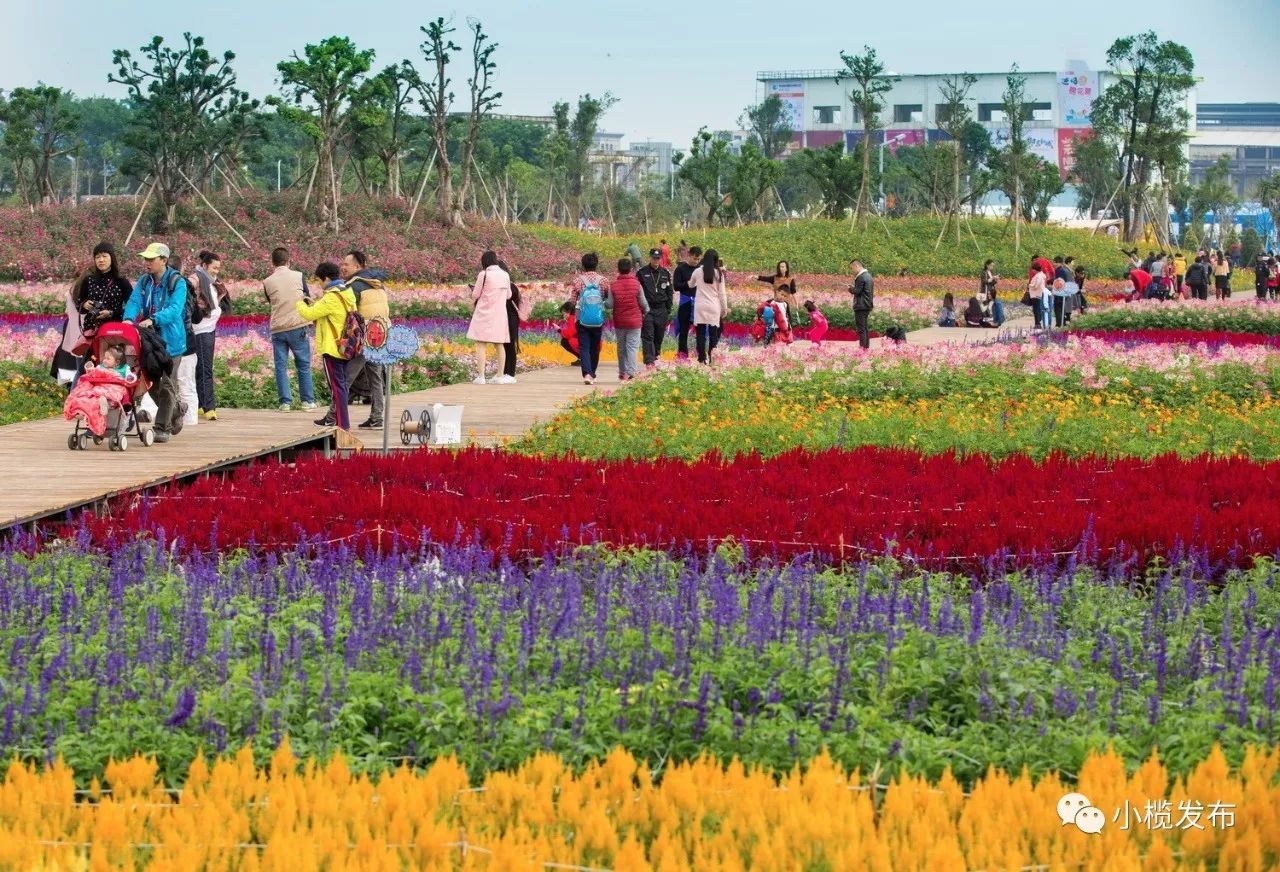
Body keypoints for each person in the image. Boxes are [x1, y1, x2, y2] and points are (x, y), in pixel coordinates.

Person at [123, 242, 189, 443]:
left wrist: (154, 319)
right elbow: (134, 302)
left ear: (164, 260)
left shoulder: (177, 282)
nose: (147, 263)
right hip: (149, 340)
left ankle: (162, 427)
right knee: (151, 383)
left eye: (151, 259)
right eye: (146, 259)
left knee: (167, 384)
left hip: (171, 342)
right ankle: (177, 410)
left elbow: (175, 309)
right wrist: (128, 318)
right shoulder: (144, 282)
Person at [56, 242, 133, 388]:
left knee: (111, 371)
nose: (101, 260)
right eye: (97, 257)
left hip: (113, 334)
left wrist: (111, 313)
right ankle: (76, 404)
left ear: (112, 258)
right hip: (91, 332)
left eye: (104, 256)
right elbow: (80, 304)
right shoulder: (89, 280)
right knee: (85, 370)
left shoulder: (121, 282)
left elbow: (132, 308)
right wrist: (84, 304)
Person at [296, 273, 358, 431]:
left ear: (327, 279)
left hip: (332, 348)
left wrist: (299, 303)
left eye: (318, 279)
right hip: (345, 346)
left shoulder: (331, 297)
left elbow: (309, 314)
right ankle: (342, 423)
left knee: (337, 387)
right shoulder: (347, 293)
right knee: (341, 385)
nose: (318, 283)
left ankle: (342, 425)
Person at [336, 250, 390, 426]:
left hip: (364, 337)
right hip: (379, 334)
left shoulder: (354, 286)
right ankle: (377, 417)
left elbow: (349, 315)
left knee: (346, 377)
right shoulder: (377, 283)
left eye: (346, 264)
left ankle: (333, 415)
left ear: (357, 266)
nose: (342, 267)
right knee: (375, 377)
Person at [263, 247, 317, 414]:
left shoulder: (267, 281)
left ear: (272, 263)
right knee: (303, 364)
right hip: (297, 325)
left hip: (278, 328)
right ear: (288, 261)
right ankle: (307, 401)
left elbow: (270, 300)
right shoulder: (298, 276)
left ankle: (285, 403)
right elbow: (307, 296)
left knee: (281, 366)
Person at [466, 251, 512, 385]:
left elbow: (475, 294)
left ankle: (481, 377)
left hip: (484, 313)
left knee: (481, 344)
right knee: (499, 344)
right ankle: (500, 376)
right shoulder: (505, 275)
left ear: (484, 261)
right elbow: (508, 295)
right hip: (499, 314)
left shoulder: (484, 274)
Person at [191, 250, 224, 420]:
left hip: (208, 329)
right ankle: (208, 406)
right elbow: (189, 286)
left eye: (218, 268)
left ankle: (200, 405)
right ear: (204, 266)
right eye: (214, 267)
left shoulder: (209, 281)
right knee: (205, 369)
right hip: (201, 330)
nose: (216, 271)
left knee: (201, 369)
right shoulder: (197, 278)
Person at [570, 252, 609, 385]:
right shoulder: (603, 280)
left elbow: (573, 301)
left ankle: (587, 374)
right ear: (596, 264)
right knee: (595, 347)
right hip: (597, 319)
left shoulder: (578, 281)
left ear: (583, 265)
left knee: (584, 347)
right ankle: (592, 372)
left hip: (582, 319)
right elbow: (606, 298)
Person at [611, 257, 649, 381]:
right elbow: (643, 303)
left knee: (621, 347)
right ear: (631, 269)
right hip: (634, 321)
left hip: (620, 321)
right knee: (632, 347)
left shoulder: (614, 285)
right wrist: (646, 311)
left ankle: (622, 372)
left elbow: (609, 304)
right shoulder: (636, 284)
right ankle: (631, 372)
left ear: (618, 269)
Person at [637, 247, 674, 367]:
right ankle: (649, 361)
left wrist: (668, 309)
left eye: (658, 258)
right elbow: (638, 292)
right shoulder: (642, 273)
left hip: (661, 309)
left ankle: (656, 356)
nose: (656, 260)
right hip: (648, 309)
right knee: (648, 335)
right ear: (650, 257)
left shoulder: (665, 273)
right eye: (654, 258)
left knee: (659, 335)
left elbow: (669, 291)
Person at [691, 248, 728, 364]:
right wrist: (724, 308)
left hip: (700, 306)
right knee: (713, 334)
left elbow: (691, 284)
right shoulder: (718, 273)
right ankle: (712, 358)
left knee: (700, 334)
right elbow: (722, 293)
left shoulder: (697, 271)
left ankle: (701, 359)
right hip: (713, 306)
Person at [673, 245, 701, 358]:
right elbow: (676, 286)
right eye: (694, 258)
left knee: (700, 331)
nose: (696, 261)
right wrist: (688, 284)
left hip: (699, 303)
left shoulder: (700, 270)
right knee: (684, 331)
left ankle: (701, 355)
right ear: (689, 256)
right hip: (685, 302)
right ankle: (683, 356)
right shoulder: (680, 269)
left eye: (698, 259)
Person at [757, 261, 798, 326]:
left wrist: (796, 303)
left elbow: (793, 292)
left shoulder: (790, 279)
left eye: (783, 266)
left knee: (785, 321)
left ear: (786, 268)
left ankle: (786, 334)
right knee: (774, 321)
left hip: (785, 304)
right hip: (776, 303)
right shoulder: (775, 278)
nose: (781, 268)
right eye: (780, 267)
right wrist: (755, 276)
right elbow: (765, 278)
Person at [849, 259, 874, 349]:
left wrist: (850, 289)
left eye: (852, 268)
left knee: (861, 329)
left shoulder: (861, 277)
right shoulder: (868, 276)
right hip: (867, 304)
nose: (852, 271)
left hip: (861, 305)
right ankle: (866, 347)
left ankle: (862, 349)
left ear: (857, 266)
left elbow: (857, 291)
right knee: (865, 328)